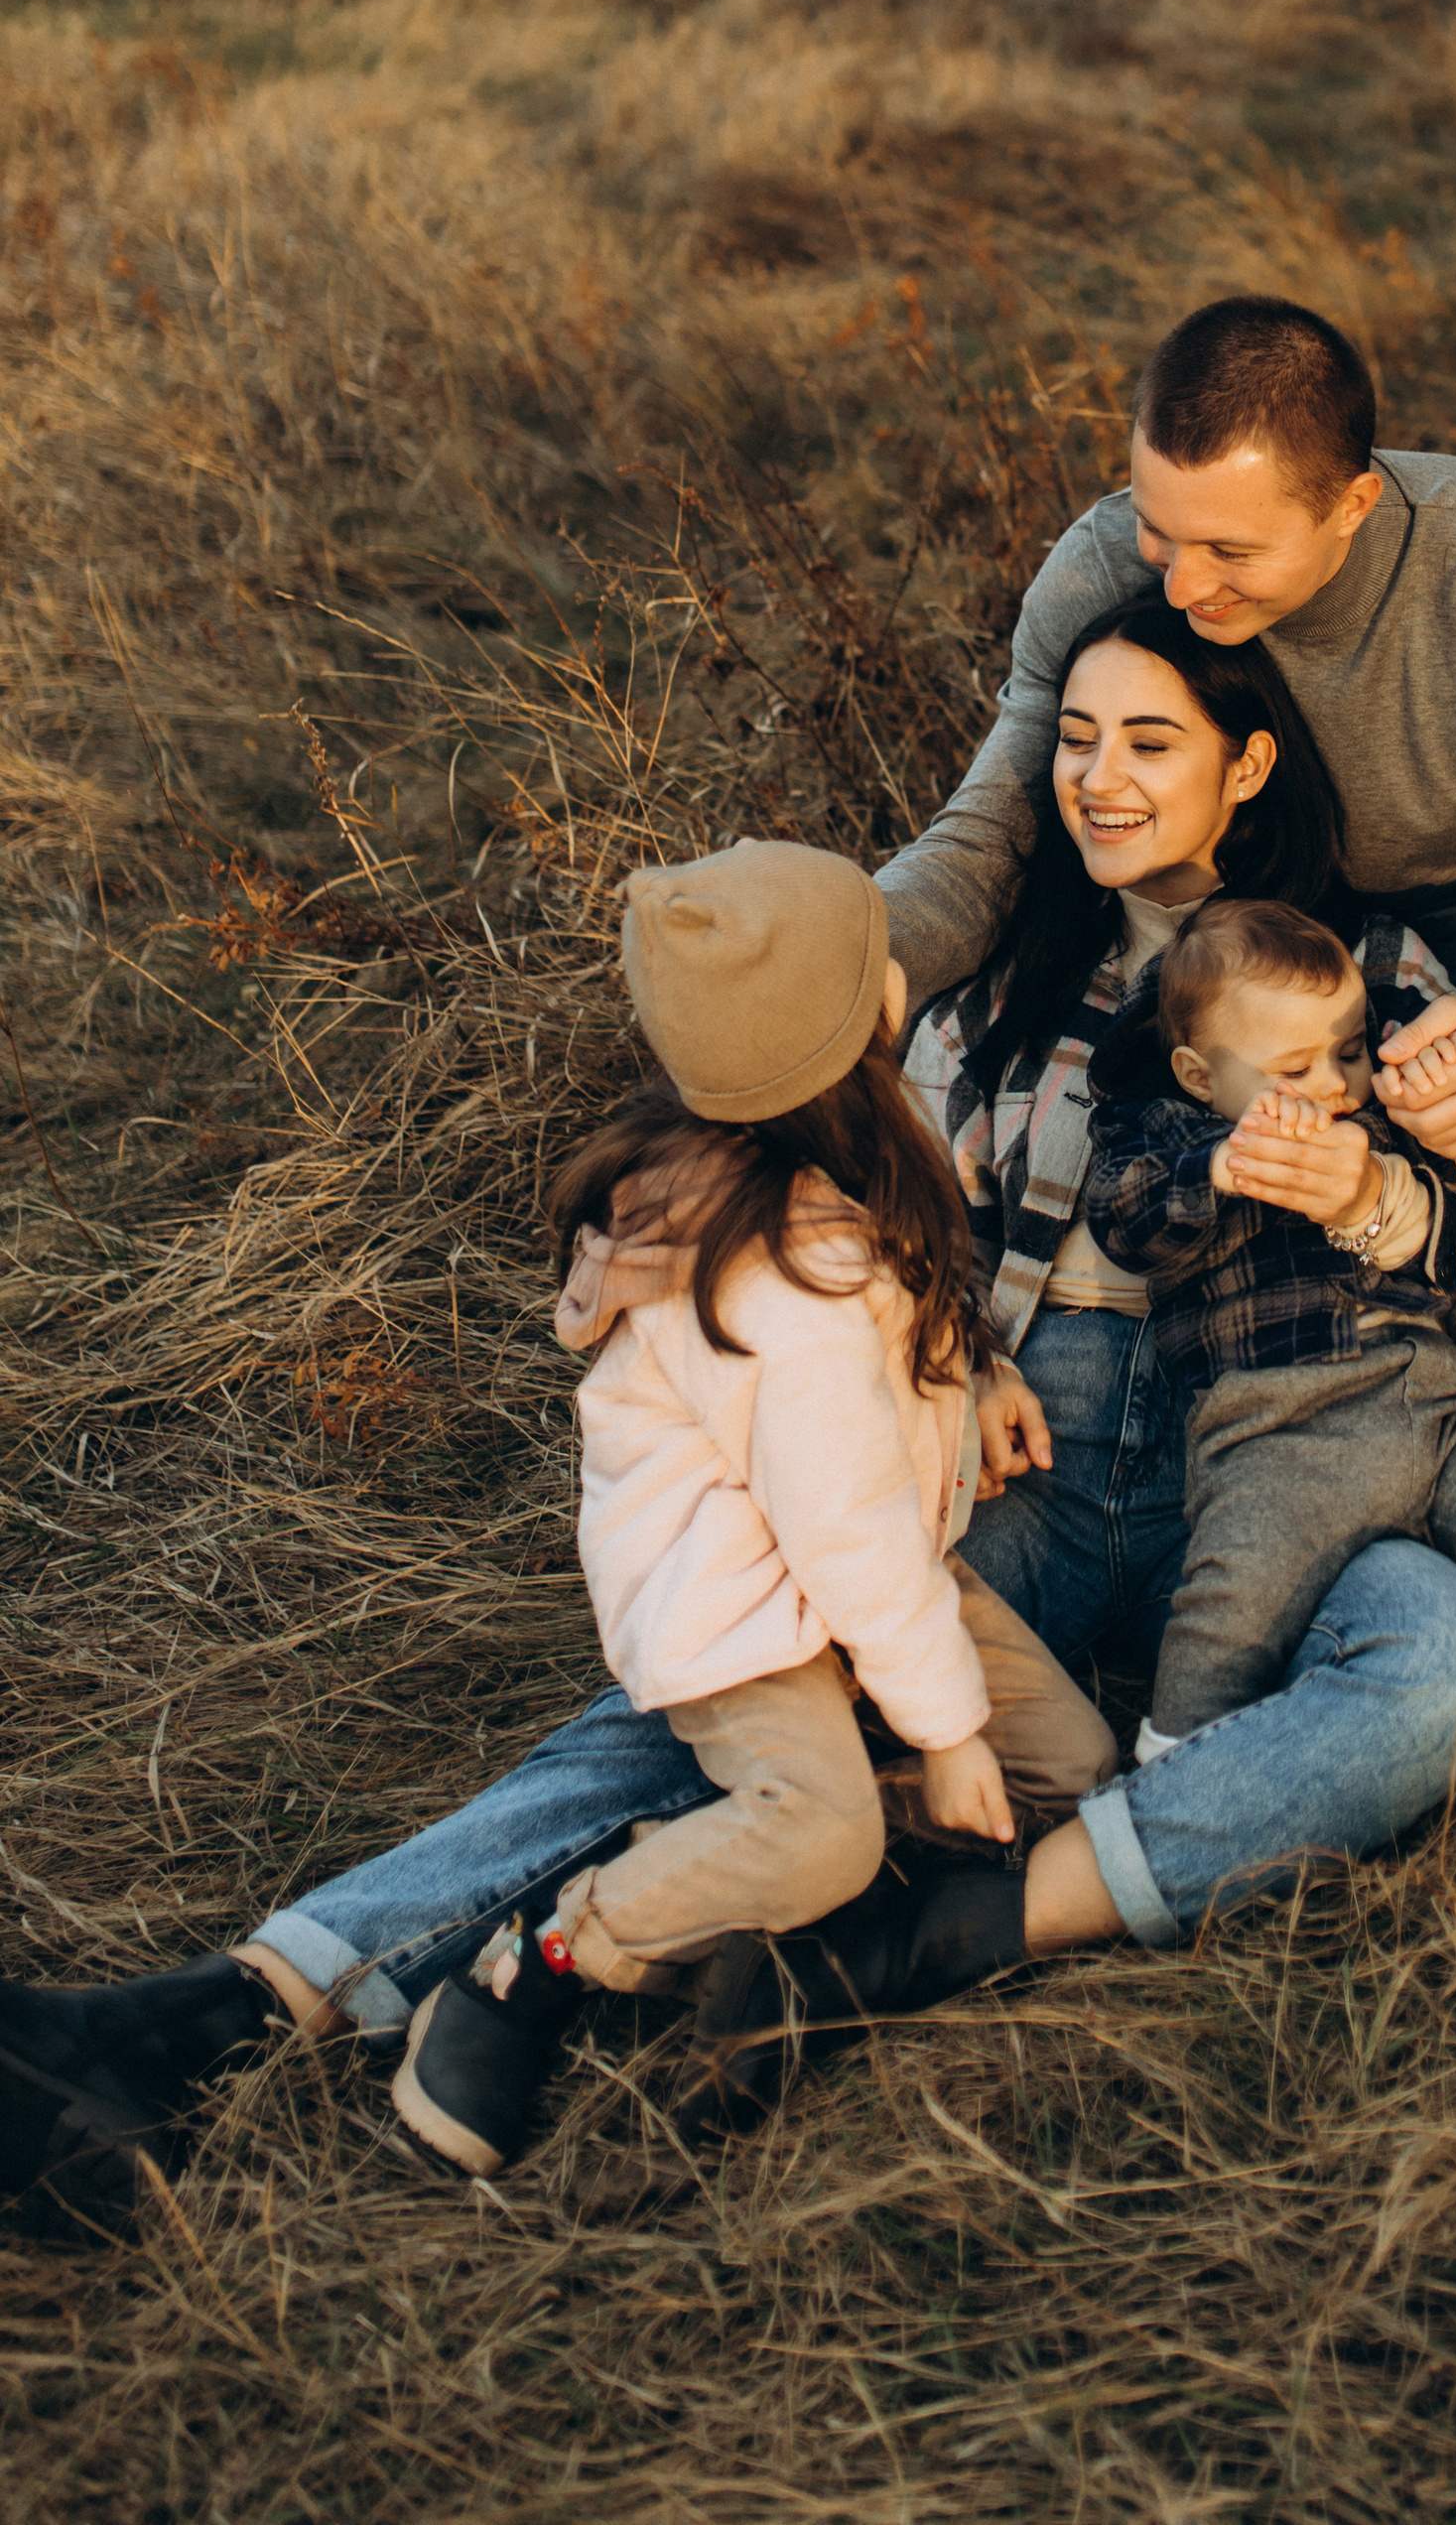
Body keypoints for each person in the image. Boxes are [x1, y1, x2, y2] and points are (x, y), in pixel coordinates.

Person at [0, 604, 1456, 2228]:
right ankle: (238, 2008)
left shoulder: (1375, 976)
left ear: (1252, 762)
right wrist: (954, 1348)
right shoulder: (997, 971)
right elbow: (857, 1205)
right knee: (754, 1661)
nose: (1098, 780)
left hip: (1298, 1461)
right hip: (1043, 1462)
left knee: (1449, 1679)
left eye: (1151, 745)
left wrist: (1372, 1196)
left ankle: (918, 1941)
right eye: (1074, 740)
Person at [394, 836, 1115, 2179]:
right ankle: (554, 1947)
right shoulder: (783, 1279)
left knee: (1070, 1778)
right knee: (837, 1829)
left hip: (868, 1577)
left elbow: (893, 1362)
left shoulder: (821, 1165)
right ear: (861, 1023)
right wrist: (945, 1731)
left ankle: (720, 1872)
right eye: (876, 966)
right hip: (751, 1614)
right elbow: (839, 1520)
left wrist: (976, 1385)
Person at [874, 291, 1456, 1280]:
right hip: (1241, 928)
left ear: (1351, 505)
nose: (1177, 588)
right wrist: (868, 954)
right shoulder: (1097, 564)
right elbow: (990, 838)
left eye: (1230, 551)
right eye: (1159, 531)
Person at [1085, 896, 1456, 1767]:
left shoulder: (1387, 1125)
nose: (1334, 1087)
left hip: (1436, 1395)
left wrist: (1380, 1193)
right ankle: (1175, 1766)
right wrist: (1222, 1169)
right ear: (1201, 1076)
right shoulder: (1171, 1133)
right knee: (1234, 1603)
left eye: (1349, 1052)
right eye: (1294, 1070)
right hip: (1281, 1424)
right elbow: (1121, 1220)